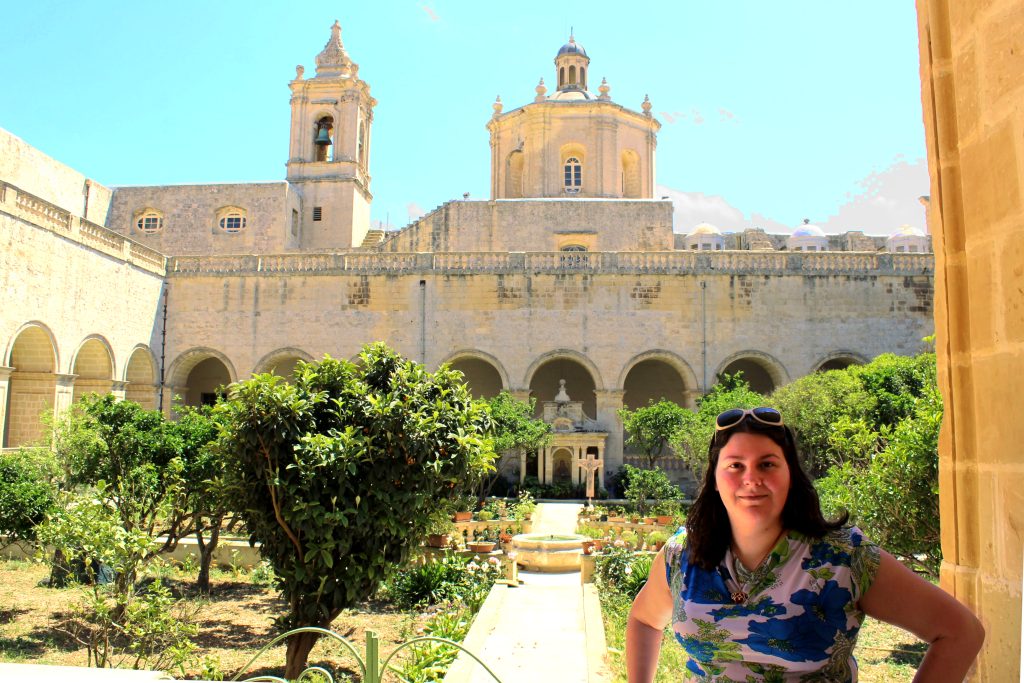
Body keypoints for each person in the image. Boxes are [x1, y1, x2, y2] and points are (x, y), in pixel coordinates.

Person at [626, 407, 984, 682]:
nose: (751, 478)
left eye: (767, 464)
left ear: (790, 476)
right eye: (735, 465)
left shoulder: (843, 559)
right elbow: (643, 619)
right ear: (715, 480)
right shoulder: (682, 555)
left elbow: (960, 632)